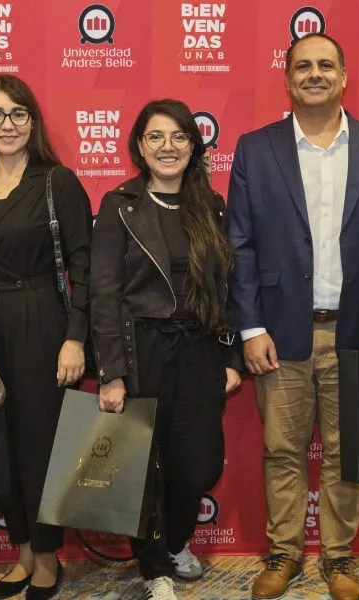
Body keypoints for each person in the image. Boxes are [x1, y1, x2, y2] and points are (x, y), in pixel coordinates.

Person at [227, 33, 359, 600]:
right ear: (287, 78)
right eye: (303, 65)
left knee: (344, 452)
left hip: (357, 330)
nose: (314, 74)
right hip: (280, 332)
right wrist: (251, 327)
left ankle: (338, 557)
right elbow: (240, 245)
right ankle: (284, 552)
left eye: (325, 65)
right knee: (281, 450)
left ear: (343, 76)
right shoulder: (256, 149)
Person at [90, 98, 242, 600]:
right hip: (142, 350)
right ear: (140, 145)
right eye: (155, 136)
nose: (167, 146)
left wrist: (229, 356)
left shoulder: (210, 205)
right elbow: (104, 293)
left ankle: (175, 542)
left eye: (179, 137)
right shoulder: (120, 204)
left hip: (199, 350)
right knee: (141, 465)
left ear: (193, 146)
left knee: (198, 464)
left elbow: (226, 289)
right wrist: (111, 372)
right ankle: (155, 566)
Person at [0, 75, 92, 600]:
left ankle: (49, 557)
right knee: (1, 445)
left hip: (43, 326)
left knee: (40, 445)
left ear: (32, 123)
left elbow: (86, 268)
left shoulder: (58, 182)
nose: (7, 124)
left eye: (17, 113)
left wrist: (75, 338)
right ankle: (24, 551)